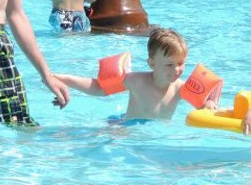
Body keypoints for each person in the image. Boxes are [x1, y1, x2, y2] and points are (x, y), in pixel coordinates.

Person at [53, 27, 214, 120]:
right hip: (128, 128)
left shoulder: (181, 89)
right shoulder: (136, 81)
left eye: (180, 63)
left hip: (155, 137)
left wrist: (209, 104)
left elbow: (203, 106)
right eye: (169, 64)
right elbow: (99, 88)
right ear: (152, 64)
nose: (176, 70)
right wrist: (62, 79)